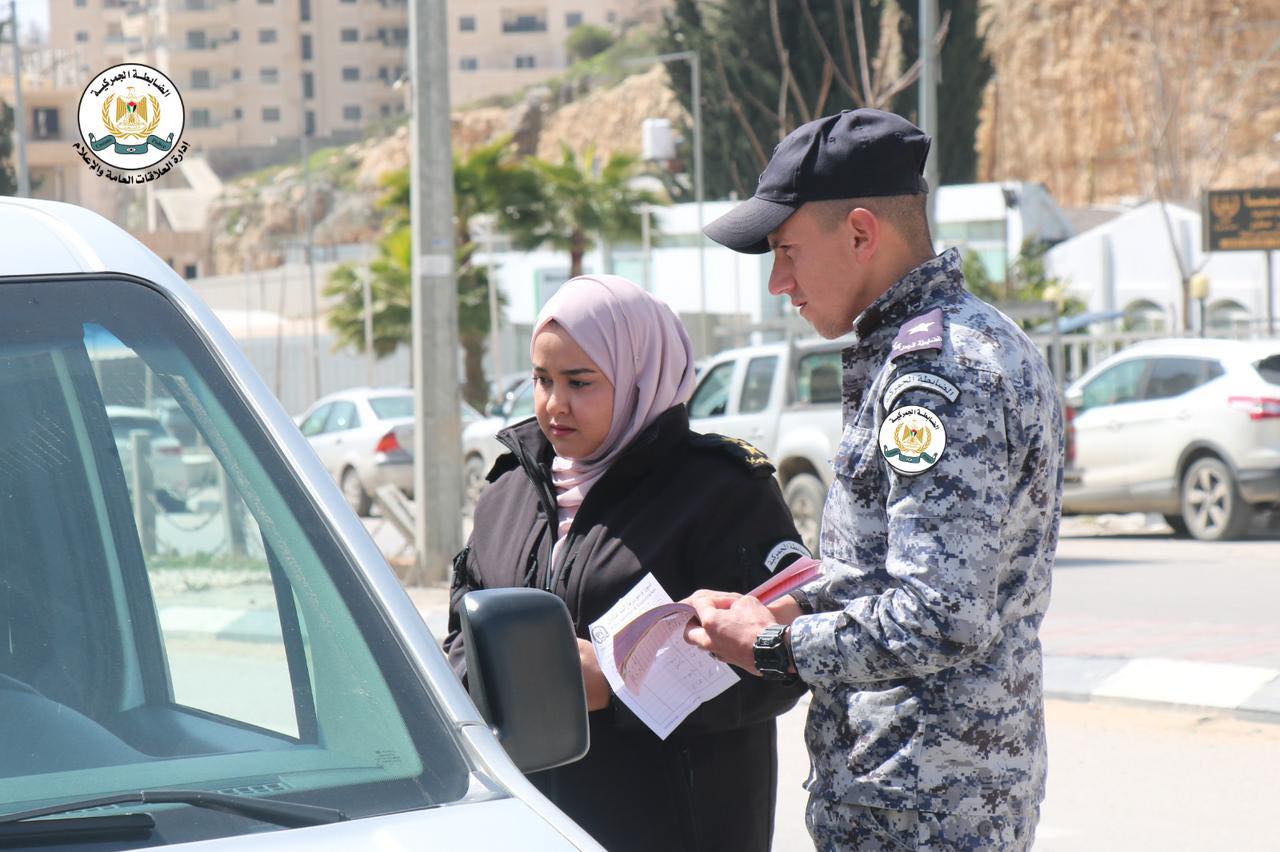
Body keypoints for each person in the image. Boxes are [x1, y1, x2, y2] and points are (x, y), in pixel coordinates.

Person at [683, 109, 1064, 850]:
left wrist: (772, 646)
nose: (777, 282)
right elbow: (886, 577)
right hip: (916, 794)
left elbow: (940, 614)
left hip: (924, 807)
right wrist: (784, 608)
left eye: (786, 251)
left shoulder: (940, 373)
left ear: (861, 233)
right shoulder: (944, 346)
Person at [443, 274, 808, 852]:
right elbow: (462, 631)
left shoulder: (721, 492)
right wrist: (505, 681)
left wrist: (619, 687)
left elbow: (782, 665)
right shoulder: (506, 492)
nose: (554, 404)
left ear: (641, 376)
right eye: (542, 379)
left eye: (579, 381)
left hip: (678, 825)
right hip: (536, 823)